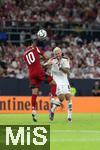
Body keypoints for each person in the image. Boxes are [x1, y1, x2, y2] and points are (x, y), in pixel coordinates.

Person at [23, 42, 56, 122]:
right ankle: (52, 98)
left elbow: (31, 64)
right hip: (38, 72)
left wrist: (42, 63)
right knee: (54, 83)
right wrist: (47, 61)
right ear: (31, 43)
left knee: (34, 93)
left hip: (31, 74)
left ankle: (33, 110)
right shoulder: (34, 47)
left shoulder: (24, 55)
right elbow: (45, 56)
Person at [47, 47, 72, 122]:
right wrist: (48, 64)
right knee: (61, 98)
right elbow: (44, 66)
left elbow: (67, 71)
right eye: (56, 54)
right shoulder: (52, 60)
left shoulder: (65, 60)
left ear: (61, 53)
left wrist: (60, 66)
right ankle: (52, 110)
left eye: (59, 53)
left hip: (64, 80)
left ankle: (69, 117)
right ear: (54, 54)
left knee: (68, 97)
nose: (58, 55)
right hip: (56, 81)